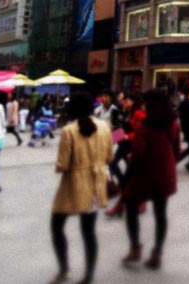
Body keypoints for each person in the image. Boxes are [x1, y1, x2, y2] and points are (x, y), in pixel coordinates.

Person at [50, 91, 113, 284]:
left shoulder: (69, 130)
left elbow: (62, 165)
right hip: (96, 184)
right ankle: (89, 275)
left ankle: (64, 270)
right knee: (88, 231)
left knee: (57, 225)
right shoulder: (104, 127)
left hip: (73, 185)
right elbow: (110, 156)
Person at [121, 89, 181, 271]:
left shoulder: (145, 125)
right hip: (165, 174)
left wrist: (129, 169)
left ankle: (135, 248)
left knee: (131, 206)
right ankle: (157, 254)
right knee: (160, 213)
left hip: (145, 175)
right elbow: (177, 150)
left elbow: (138, 154)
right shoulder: (173, 123)